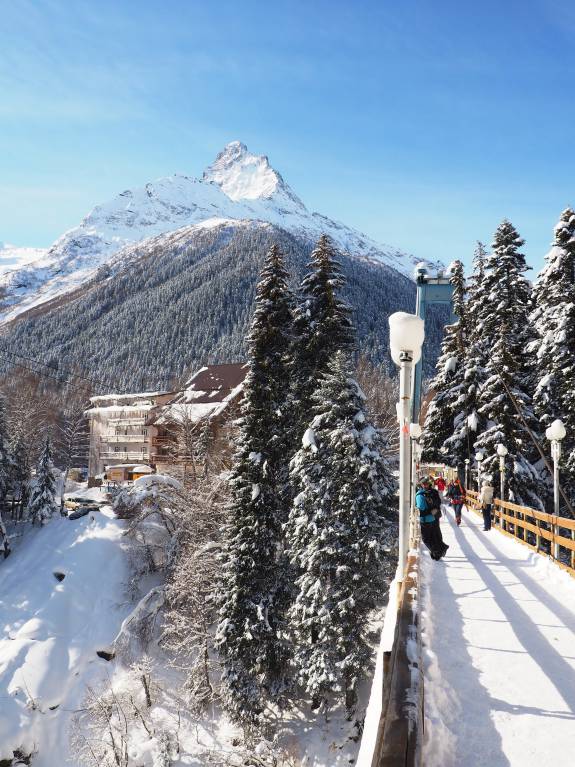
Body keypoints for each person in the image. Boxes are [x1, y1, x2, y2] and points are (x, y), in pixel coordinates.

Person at [416, 477, 449, 560]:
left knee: (432, 536)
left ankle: (438, 551)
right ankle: (439, 551)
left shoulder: (426, 493)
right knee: (434, 534)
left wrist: (433, 508)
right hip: (433, 516)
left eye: (426, 484)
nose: (425, 485)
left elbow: (423, 507)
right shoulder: (429, 492)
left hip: (431, 516)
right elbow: (438, 502)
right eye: (423, 484)